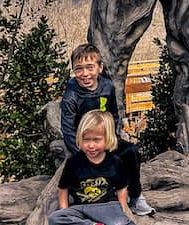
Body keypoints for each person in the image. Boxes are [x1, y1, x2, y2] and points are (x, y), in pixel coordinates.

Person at [48, 110, 161, 225]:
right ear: (79, 139)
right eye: (86, 140)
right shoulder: (74, 162)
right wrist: (65, 211)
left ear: (107, 139)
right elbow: (63, 188)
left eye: (97, 140)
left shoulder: (115, 162)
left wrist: (123, 210)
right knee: (55, 219)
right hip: (81, 208)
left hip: (107, 207)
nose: (91, 145)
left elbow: (122, 188)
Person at [60, 43, 155, 215]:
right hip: (85, 145)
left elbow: (113, 115)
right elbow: (68, 130)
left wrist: (112, 139)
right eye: (79, 69)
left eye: (90, 67)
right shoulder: (71, 96)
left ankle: (135, 197)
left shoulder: (107, 87)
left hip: (105, 139)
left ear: (100, 67)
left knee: (131, 151)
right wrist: (82, 153)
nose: (85, 74)